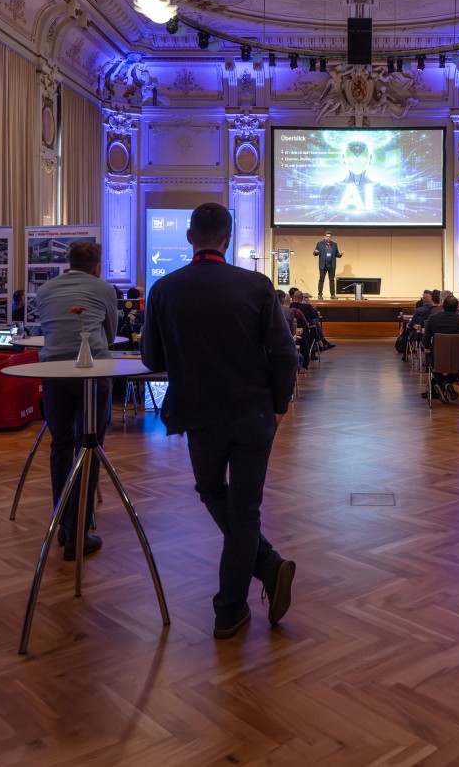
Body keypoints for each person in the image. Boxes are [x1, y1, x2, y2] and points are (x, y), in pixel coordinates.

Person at [142, 203, 299, 639]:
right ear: (228, 240)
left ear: (190, 237)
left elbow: (152, 358)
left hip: (199, 413)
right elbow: (285, 355)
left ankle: (241, 597)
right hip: (254, 413)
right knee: (245, 510)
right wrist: (280, 406)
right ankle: (241, 596)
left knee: (211, 491)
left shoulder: (164, 288)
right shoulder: (257, 285)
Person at [35, 242, 118, 560]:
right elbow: (110, 335)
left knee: (60, 446)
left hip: (53, 373)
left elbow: (48, 328)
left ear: (68, 263)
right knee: (89, 445)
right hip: (91, 374)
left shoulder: (45, 289)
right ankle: (78, 533)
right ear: (97, 266)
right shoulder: (104, 288)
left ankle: (63, 524)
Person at [422, 294, 459, 403]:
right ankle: (447, 384)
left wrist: (428, 348)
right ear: (457, 308)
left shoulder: (433, 318)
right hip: (458, 359)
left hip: (438, 357)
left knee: (430, 359)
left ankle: (443, 383)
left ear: (442, 306)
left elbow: (425, 341)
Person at [314, 231, 342, 299]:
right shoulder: (319, 244)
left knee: (331, 280)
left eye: (329, 237)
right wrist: (315, 252)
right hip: (323, 264)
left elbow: (337, 254)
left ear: (331, 237)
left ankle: (332, 295)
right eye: (327, 236)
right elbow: (315, 253)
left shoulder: (334, 244)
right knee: (321, 279)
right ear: (324, 237)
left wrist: (340, 254)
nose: (328, 238)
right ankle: (320, 294)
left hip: (331, 265)